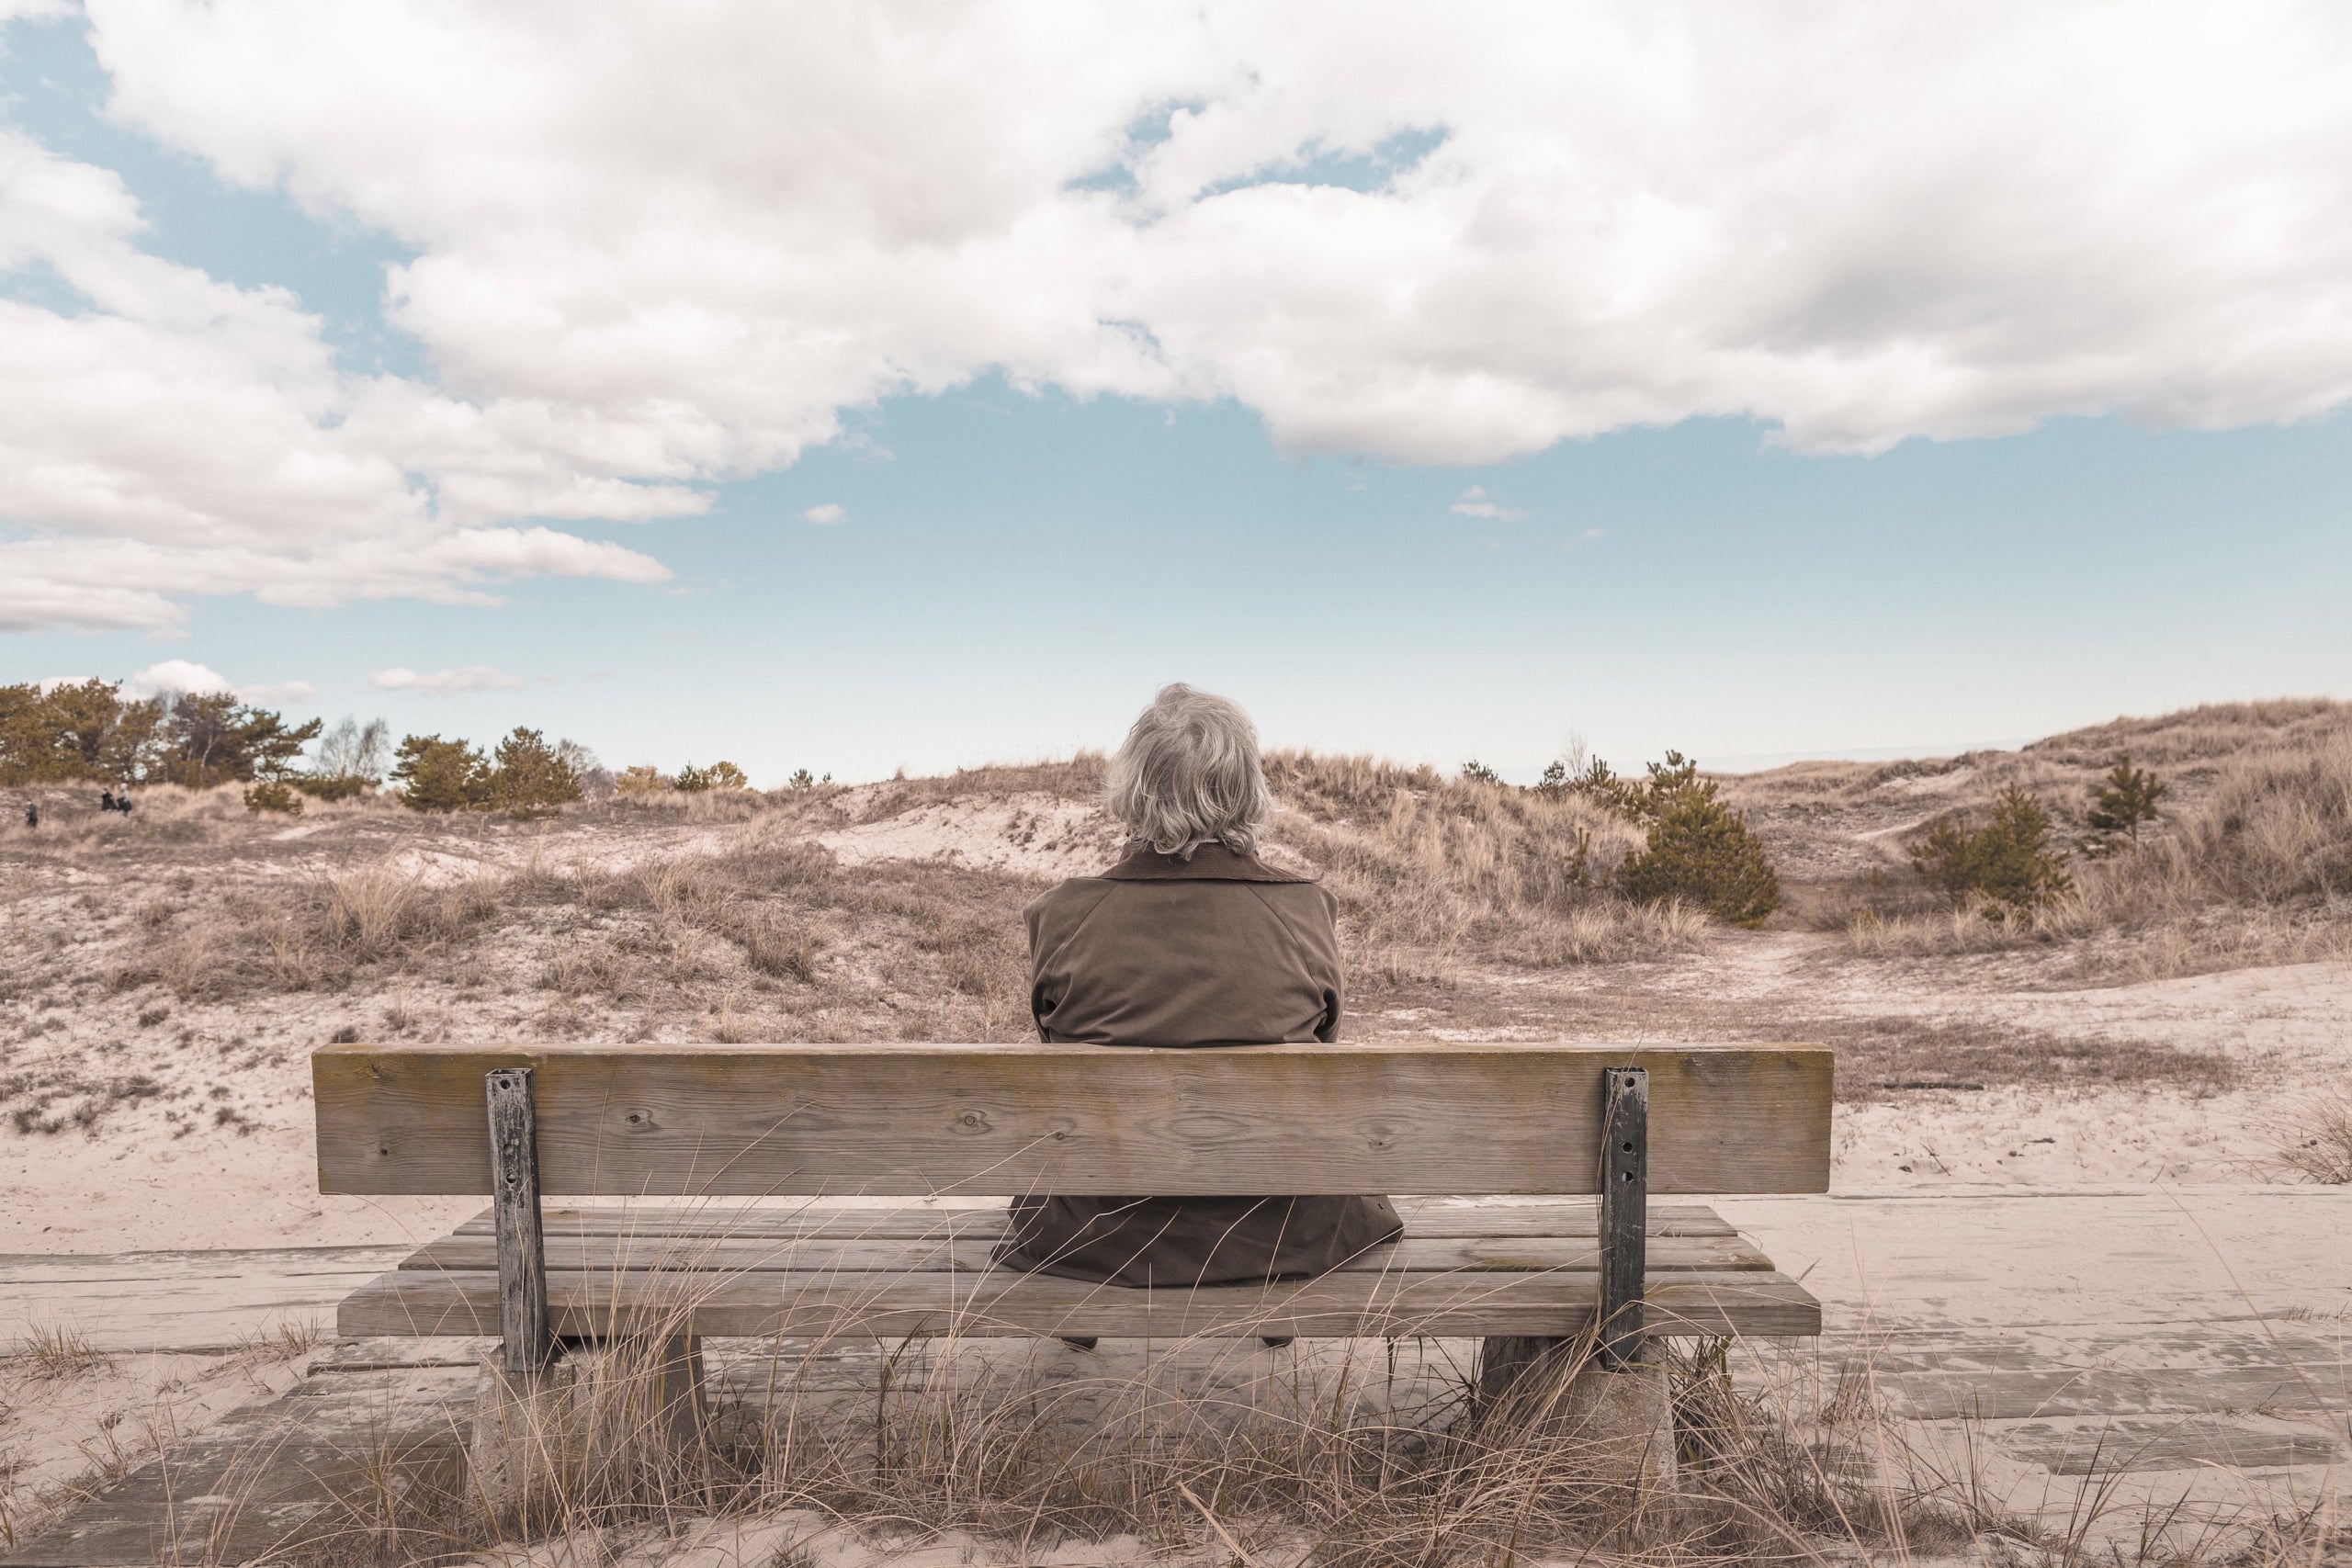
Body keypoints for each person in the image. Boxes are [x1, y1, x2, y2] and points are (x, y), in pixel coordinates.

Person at [993, 683, 1403, 1304]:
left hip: (1099, 1233)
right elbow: (1321, 1047)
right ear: (1245, 789)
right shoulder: (1305, 911)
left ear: (1134, 790)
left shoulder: (1062, 915)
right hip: (1281, 1232)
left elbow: (1058, 1047)